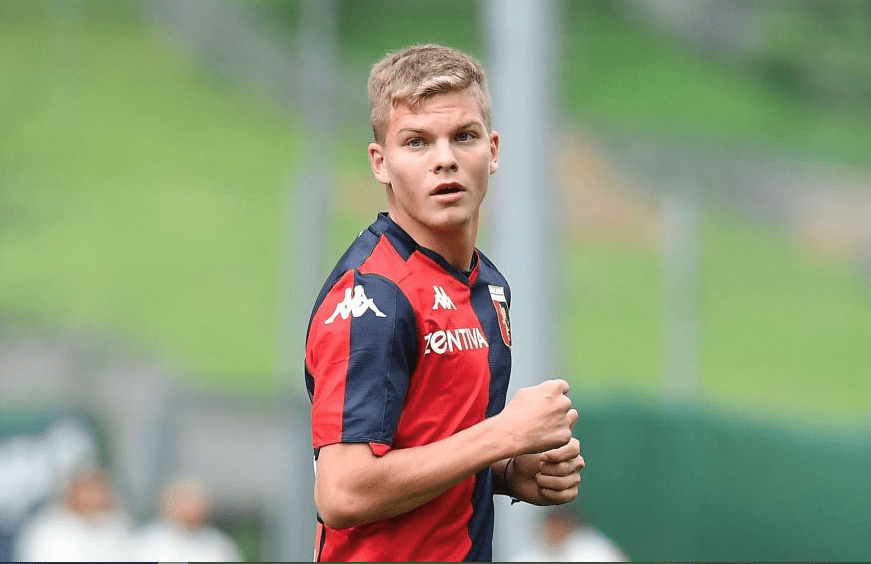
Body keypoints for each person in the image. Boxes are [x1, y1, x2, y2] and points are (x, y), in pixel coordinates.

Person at [304, 44, 585, 562]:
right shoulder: (372, 296)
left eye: (464, 136)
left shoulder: (488, 286)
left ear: (493, 151)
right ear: (381, 163)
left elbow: (430, 446)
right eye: (417, 142)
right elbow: (342, 492)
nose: (445, 159)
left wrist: (508, 473)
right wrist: (503, 436)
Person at [14, 467, 133, 562]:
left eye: (97, 488)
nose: (94, 496)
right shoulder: (46, 531)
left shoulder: (116, 525)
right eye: (87, 489)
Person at [132, 477, 241, 562]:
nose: (191, 507)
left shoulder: (217, 545)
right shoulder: (148, 543)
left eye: (196, 501)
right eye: (185, 499)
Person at [513, 506, 629, 562]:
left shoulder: (596, 552)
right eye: (552, 524)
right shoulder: (531, 556)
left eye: (559, 524)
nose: (555, 530)